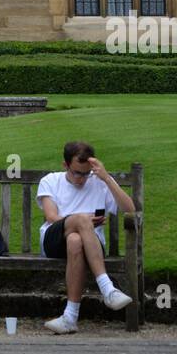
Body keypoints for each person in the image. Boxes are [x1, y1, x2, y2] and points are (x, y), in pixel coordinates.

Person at [36, 140, 136, 334]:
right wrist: (82, 222)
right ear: (65, 165)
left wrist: (106, 178)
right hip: (54, 239)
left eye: (85, 173)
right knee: (81, 221)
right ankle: (107, 288)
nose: (81, 179)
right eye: (76, 173)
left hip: (88, 246)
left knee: (76, 240)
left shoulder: (99, 181)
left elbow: (129, 209)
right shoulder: (50, 180)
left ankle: (70, 317)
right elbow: (51, 217)